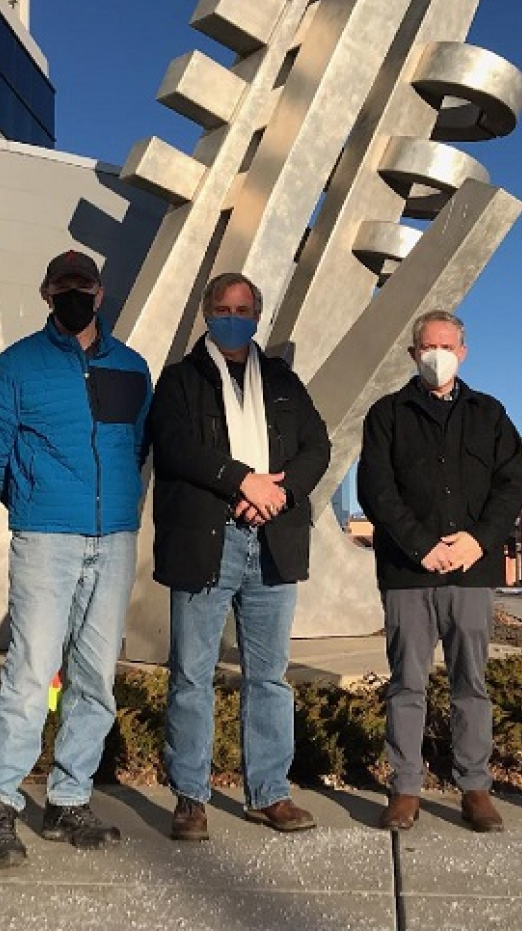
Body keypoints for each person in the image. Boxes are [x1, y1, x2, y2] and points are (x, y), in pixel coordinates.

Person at [0, 250, 152, 865]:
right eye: (64, 286)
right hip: (46, 535)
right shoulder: (16, 365)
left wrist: (122, 504)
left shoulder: (131, 367)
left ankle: (70, 798)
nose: (75, 295)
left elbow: (138, 446)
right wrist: (30, 498)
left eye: (85, 286)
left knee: (96, 678)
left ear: (100, 295)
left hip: (116, 538)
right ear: (48, 293)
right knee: (30, 672)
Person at [150, 273, 332, 842]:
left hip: (272, 542)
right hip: (207, 541)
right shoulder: (181, 378)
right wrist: (241, 482)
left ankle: (270, 793)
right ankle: (190, 797)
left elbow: (316, 446)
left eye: (244, 308)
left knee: (270, 676)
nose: (234, 315)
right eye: (224, 307)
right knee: (191, 675)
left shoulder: (279, 378)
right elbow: (176, 448)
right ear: (207, 312)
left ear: (258, 315)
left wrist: (279, 492)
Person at [357, 309, 522, 833]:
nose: (437, 355)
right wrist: (421, 545)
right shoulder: (387, 414)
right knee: (406, 684)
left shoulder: (490, 414)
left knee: (471, 684)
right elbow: (376, 489)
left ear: (463, 352)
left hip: (470, 574)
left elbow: (511, 486)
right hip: (410, 573)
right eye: (428, 347)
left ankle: (474, 787)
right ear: (413, 354)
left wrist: (477, 540)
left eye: (447, 346)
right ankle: (405, 788)